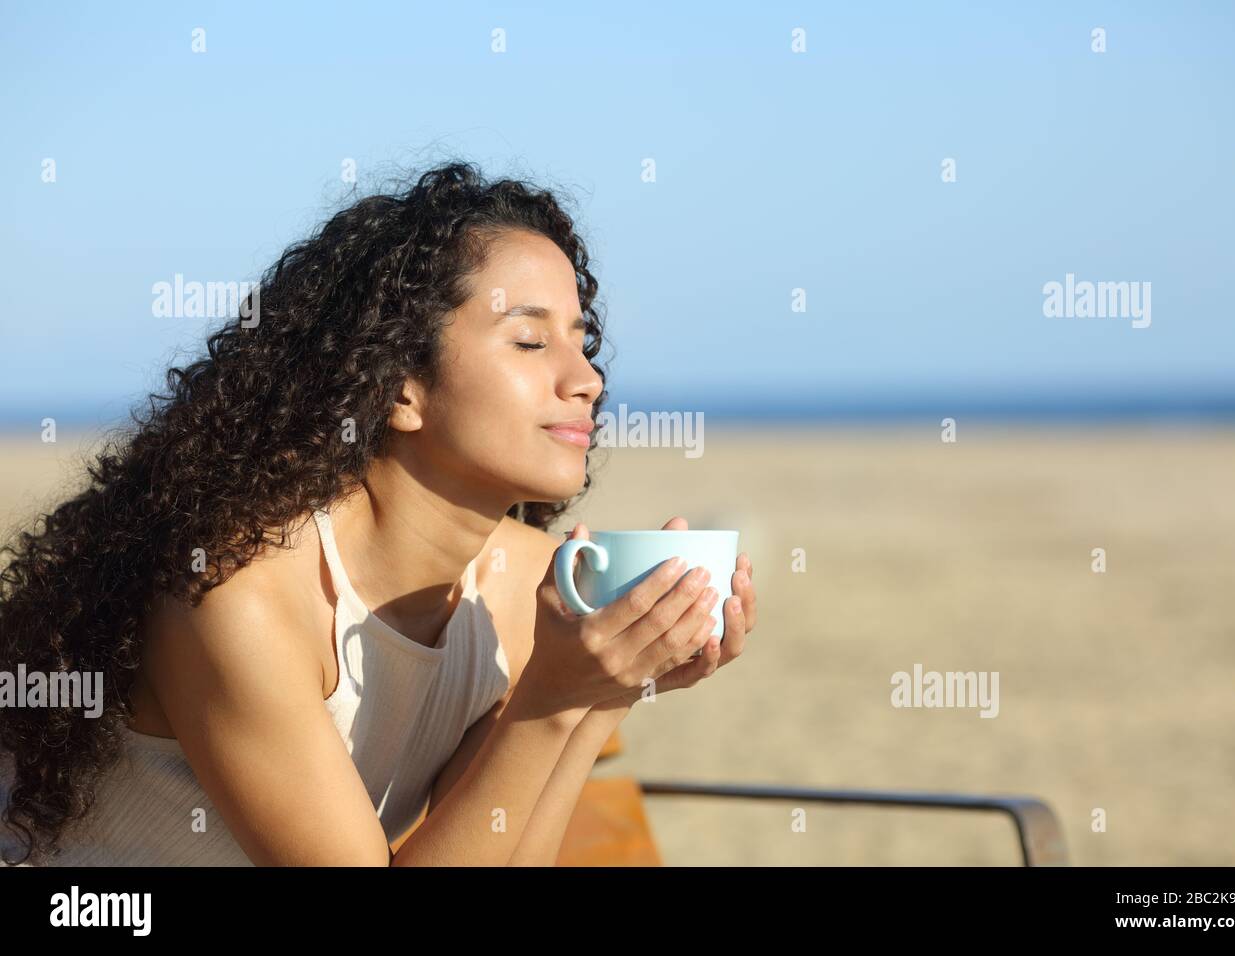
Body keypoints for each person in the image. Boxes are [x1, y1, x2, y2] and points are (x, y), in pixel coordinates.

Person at [0, 160, 757, 866]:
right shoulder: (239, 594)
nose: (586, 378)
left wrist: (600, 694)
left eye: (581, 342)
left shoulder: (537, 590)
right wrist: (553, 702)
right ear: (399, 387)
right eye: (529, 340)